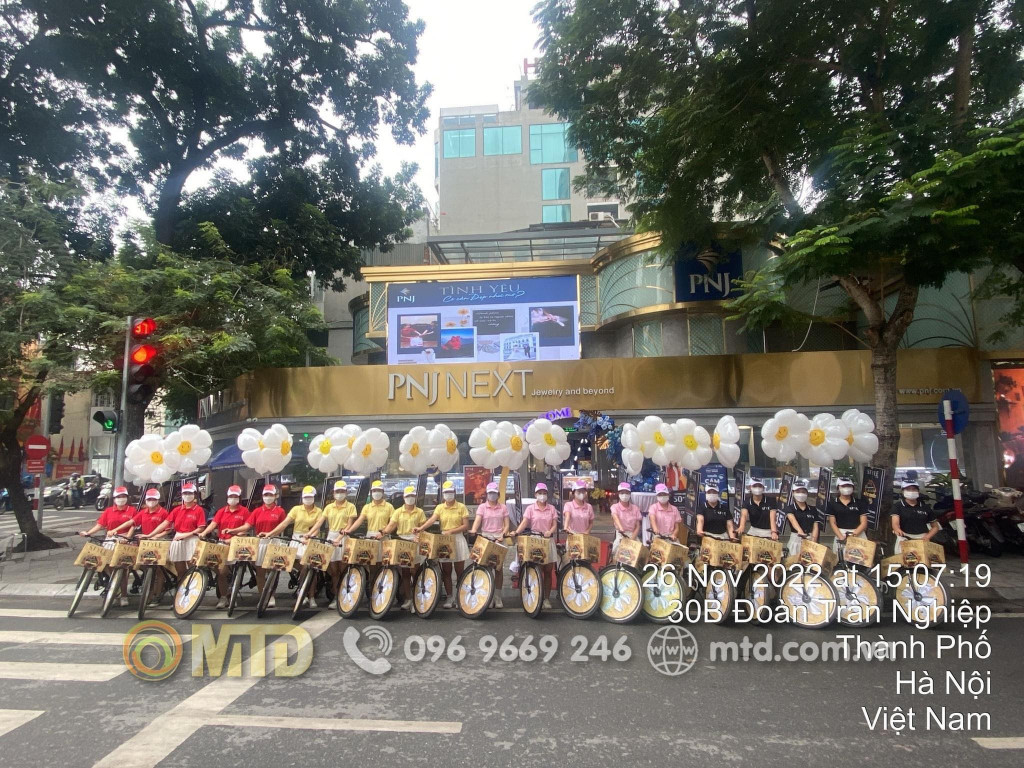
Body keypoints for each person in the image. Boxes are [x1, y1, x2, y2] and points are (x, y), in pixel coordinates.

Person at [262, 485, 322, 607]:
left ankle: (311, 597)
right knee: (292, 562)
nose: (308, 499)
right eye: (305, 497)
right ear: (302, 497)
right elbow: (284, 524)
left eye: (310, 497)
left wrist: (310, 537)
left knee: (311, 567)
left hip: (311, 540)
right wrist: (270, 533)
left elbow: (317, 528)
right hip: (297, 539)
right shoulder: (296, 509)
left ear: (314, 497)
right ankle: (301, 588)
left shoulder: (319, 511)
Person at [416, 480, 470, 608]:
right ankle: (449, 597)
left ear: (454, 493)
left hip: (457, 539)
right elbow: (432, 520)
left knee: (459, 571)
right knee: (446, 571)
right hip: (445, 541)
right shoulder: (440, 507)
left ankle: (460, 596)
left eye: (450, 492)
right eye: (446, 492)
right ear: (443, 494)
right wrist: (421, 528)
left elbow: (466, 526)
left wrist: (452, 531)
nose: (448, 494)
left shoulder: (461, 507)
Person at [78, 486, 136, 606]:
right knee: (104, 562)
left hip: (124, 540)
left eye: (123, 496)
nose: (121, 498)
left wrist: (127, 538)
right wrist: (88, 533)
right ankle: (114, 583)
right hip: (110, 539)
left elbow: (133, 526)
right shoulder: (109, 511)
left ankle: (124, 595)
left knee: (122, 568)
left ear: (127, 498)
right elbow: (100, 525)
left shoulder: (132, 510)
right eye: (119, 496)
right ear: (114, 498)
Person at [232, 485, 287, 607]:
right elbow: (247, 526)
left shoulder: (280, 511)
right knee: (260, 571)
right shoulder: (257, 511)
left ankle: (271, 595)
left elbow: (282, 527)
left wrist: (271, 534)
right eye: (266, 495)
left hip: (274, 542)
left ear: (275, 496)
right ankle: (262, 596)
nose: (268, 497)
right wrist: (234, 530)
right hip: (260, 542)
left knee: (272, 571)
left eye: (270, 495)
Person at [198, 485, 250, 609]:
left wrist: (235, 536)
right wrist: (204, 533)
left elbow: (246, 528)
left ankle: (232, 596)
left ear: (239, 498)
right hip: (222, 543)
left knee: (235, 571)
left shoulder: (244, 511)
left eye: (235, 496)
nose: (233, 498)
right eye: (231, 496)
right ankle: (223, 597)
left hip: (237, 544)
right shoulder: (222, 511)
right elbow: (213, 524)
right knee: (220, 571)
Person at [121, 488, 172, 605]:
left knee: (158, 569)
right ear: (145, 500)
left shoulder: (163, 512)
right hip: (145, 543)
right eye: (149, 499)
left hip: (159, 542)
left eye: (154, 499)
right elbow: (132, 522)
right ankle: (148, 591)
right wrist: (116, 529)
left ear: (158, 500)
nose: (151, 501)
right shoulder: (143, 512)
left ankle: (157, 594)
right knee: (145, 567)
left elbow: (168, 529)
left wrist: (157, 536)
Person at [379, 486, 426, 612]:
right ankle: (408, 598)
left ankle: (417, 599)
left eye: (412, 496)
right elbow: (391, 525)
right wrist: (383, 532)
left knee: (415, 571)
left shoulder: (419, 512)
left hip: (415, 542)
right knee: (405, 572)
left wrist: (418, 536)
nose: (410, 498)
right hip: (402, 541)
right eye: (408, 496)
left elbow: (422, 527)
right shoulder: (398, 512)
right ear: (404, 498)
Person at [308, 480, 358, 598]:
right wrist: (309, 533)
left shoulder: (351, 507)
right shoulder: (329, 507)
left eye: (342, 491)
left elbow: (349, 525)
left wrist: (339, 538)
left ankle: (344, 597)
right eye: (337, 491)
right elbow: (320, 522)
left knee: (343, 569)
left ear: (346, 492)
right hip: (331, 537)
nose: (339, 493)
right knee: (333, 571)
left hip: (344, 538)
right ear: (333, 493)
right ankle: (336, 596)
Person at [513, 482, 558, 609]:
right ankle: (536, 596)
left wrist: (550, 531)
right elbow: (525, 522)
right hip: (535, 540)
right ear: (535, 495)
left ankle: (546, 599)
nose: (542, 495)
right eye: (540, 493)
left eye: (544, 493)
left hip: (548, 540)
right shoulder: (530, 509)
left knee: (548, 571)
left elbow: (555, 524)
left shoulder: (552, 509)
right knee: (536, 569)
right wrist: (516, 532)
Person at [152, 482, 207, 579]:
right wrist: (151, 535)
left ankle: (192, 588)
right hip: (178, 540)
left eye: (190, 493)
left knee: (192, 570)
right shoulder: (177, 510)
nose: (187, 495)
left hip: (192, 540)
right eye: (185, 493)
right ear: (182, 495)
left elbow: (201, 528)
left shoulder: (199, 510)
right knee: (180, 571)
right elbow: (165, 523)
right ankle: (180, 587)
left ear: (194, 494)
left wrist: (186, 535)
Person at [470, 481, 510, 608]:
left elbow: (507, 524)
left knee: (498, 569)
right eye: (490, 493)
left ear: (498, 494)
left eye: (494, 493)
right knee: (484, 567)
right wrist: (474, 530)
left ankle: (498, 597)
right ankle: (486, 596)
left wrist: (503, 535)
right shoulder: (482, 507)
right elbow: (477, 520)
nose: (492, 495)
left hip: (499, 539)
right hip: (485, 538)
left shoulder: (503, 507)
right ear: (487, 494)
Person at [891, 481, 940, 553]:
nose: (911, 491)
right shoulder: (898, 506)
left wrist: (927, 537)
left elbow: (935, 527)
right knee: (903, 559)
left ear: (918, 491)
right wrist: (897, 529)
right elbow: (895, 523)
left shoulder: (925, 507)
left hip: (923, 539)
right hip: (904, 539)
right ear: (902, 491)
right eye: (908, 489)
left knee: (923, 559)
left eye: (914, 489)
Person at [827, 477, 868, 554]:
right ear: (838, 488)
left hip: (858, 534)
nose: (846, 488)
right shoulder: (832, 504)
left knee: (860, 558)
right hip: (841, 534)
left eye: (849, 486)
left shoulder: (860, 503)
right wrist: (841, 537)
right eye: (843, 486)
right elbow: (833, 523)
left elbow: (864, 522)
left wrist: (853, 536)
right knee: (840, 558)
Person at [784, 479, 820, 556]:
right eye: (798, 491)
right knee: (794, 561)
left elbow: (815, 526)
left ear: (807, 493)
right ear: (793, 492)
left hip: (810, 539)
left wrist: (813, 541)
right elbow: (793, 521)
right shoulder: (790, 508)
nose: (801, 494)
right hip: (796, 538)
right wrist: (800, 531)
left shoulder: (813, 509)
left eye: (803, 492)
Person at [610, 482, 642, 555]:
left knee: (638, 554)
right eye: (622, 493)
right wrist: (621, 528)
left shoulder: (635, 508)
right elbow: (615, 517)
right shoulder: (615, 507)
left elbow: (637, 526)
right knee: (616, 552)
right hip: (621, 535)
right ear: (618, 494)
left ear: (630, 494)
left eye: (627, 493)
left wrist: (632, 539)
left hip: (633, 535)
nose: (624, 495)